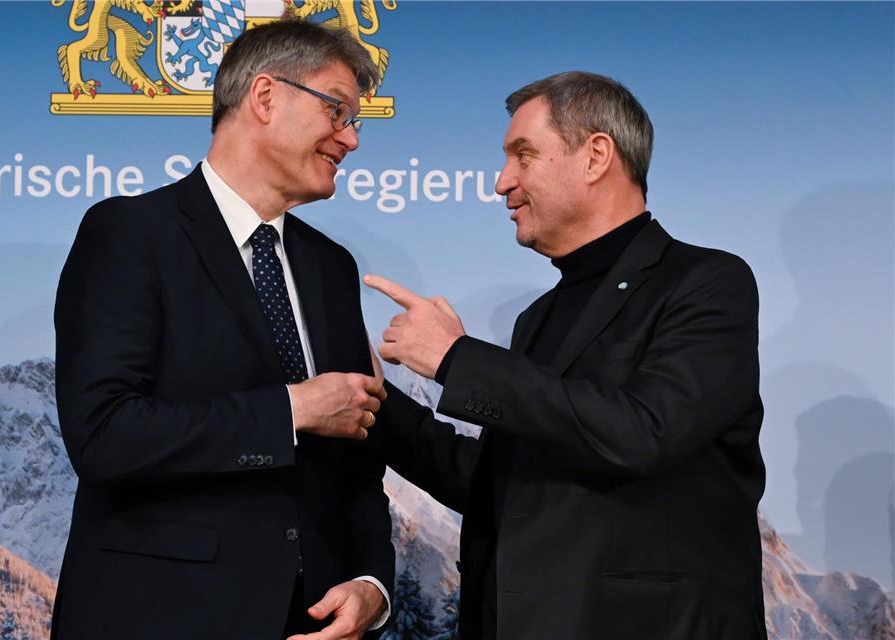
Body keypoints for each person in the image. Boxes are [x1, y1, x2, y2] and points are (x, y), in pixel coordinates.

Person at [365, 71, 766, 639]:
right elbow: (492, 482)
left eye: (523, 155)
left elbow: (646, 431)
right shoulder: (539, 317)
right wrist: (373, 397)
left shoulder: (707, 282)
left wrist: (457, 359)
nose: (502, 182)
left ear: (596, 155)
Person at [52, 19, 394, 640]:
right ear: (265, 97)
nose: (351, 139)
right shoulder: (129, 234)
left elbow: (358, 460)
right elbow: (104, 435)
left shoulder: (331, 267)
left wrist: (372, 584)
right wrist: (290, 410)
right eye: (337, 111)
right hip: (156, 620)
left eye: (355, 121)